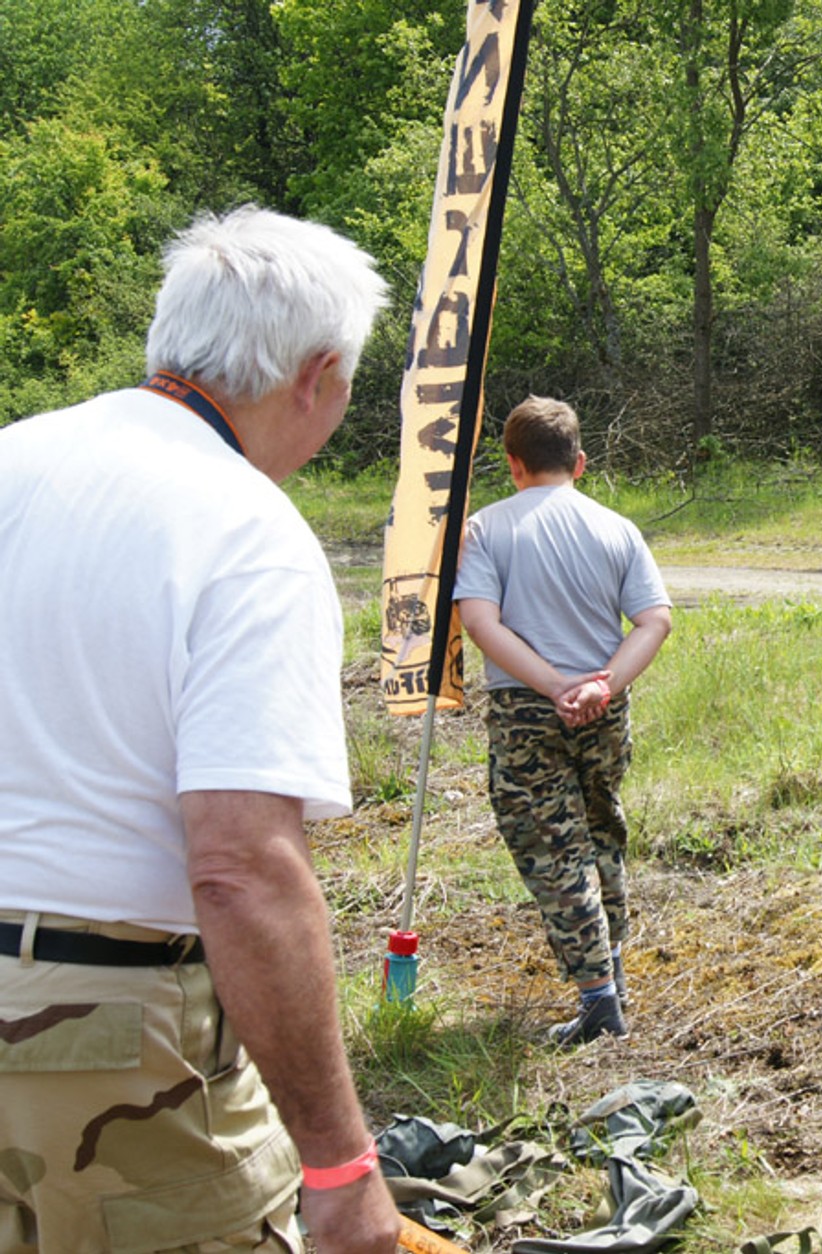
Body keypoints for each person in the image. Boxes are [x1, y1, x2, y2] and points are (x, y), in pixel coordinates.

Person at [0, 207, 399, 1251]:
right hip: (99, 1028)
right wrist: (340, 1165)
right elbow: (240, 868)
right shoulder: (245, 528)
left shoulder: (13, 460)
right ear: (317, 376)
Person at [455, 397, 674, 1046]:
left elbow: (480, 622)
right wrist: (603, 684)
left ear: (513, 464)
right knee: (601, 831)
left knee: (555, 850)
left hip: (528, 708)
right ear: (579, 463)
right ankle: (614, 975)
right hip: (605, 708)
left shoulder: (486, 530)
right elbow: (654, 620)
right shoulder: (617, 528)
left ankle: (599, 1001)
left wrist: (553, 686)